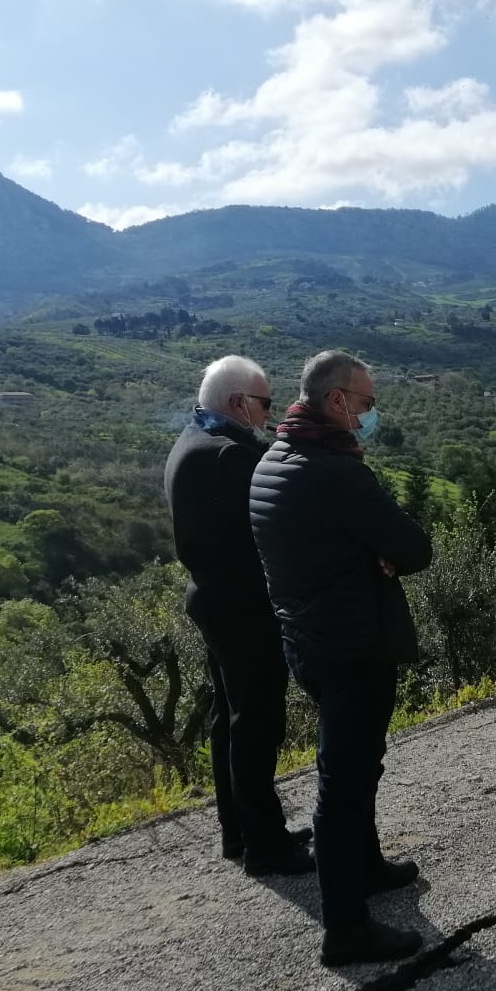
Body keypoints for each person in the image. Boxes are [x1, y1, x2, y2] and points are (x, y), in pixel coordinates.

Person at [250, 350, 432, 967]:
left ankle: (369, 865)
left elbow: (316, 550)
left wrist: (366, 553)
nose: (368, 414)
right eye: (367, 403)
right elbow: (412, 547)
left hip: (306, 639)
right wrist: (377, 555)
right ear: (337, 401)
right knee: (343, 782)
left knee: (358, 767)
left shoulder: (273, 460)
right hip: (353, 645)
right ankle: (346, 928)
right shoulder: (335, 472)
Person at [164, 355, 313, 876]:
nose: (268, 414)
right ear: (237, 403)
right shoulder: (229, 456)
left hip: (213, 602)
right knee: (257, 723)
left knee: (229, 720)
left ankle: (241, 831)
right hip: (245, 609)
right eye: (265, 403)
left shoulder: (191, 442)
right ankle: (266, 846)